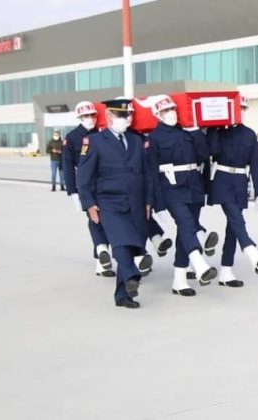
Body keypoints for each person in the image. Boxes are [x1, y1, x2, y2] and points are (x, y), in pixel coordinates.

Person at [77, 99, 153, 309]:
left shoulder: (136, 141)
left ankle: (123, 296)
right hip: (108, 202)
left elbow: (146, 173)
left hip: (136, 202)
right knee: (120, 241)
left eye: (127, 115)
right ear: (109, 117)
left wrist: (149, 201)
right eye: (121, 116)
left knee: (129, 246)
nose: (125, 119)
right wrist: (89, 204)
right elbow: (83, 176)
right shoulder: (95, 141)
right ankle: (132, 274)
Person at [147, 95, 219, 295]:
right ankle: (199, 264)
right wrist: (158, 205)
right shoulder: (153, 138)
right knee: (187, 224)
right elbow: (152, 173)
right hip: (170, 188)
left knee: (184, 232)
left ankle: (179, 280)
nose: (171, 114)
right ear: (158, 115)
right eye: (166, 111)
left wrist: (195, 132)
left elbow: (204, 154)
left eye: (173, 110)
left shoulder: (186, 132)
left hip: (193, 187)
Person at [207, 101, 258, 287]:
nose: (242, 112)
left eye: (244, 109)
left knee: (232, 228)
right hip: (222, 179)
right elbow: (212, 151)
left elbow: (255, 163)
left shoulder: (249, 133)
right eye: (239, 108)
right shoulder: (220, 131)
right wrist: (214, 127)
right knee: (236, 219)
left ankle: (226, 271)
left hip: (239, 182)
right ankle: (252, 252)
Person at [62, 102, 114, 278]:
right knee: (95, 219)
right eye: (86, 116)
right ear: (79, 117)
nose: (90, 119)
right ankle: (101, 259)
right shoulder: (72, 138)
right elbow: (67, 166)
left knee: (108, 220)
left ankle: (102, 259)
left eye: (92, 115)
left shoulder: (102, 132)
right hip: (86, 184)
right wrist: (73, 192)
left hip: (105, 182)